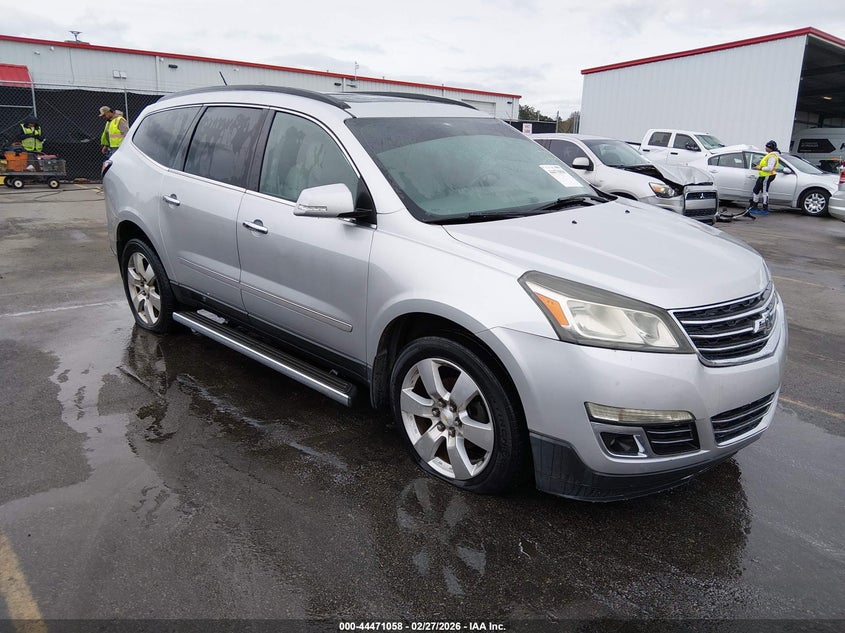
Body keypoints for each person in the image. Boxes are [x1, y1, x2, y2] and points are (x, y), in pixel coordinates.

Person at [746, 140, 780, 216]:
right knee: (756, 190)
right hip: (763, 175)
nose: (765, 148)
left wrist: (760, 168)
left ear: (770, 148)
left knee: (764, 192)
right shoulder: (770, 155)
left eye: (767, 147)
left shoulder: (772, 156)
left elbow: (770, 168)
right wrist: (759, 167)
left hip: (767, 176)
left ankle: (765, 208)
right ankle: (754, 206)